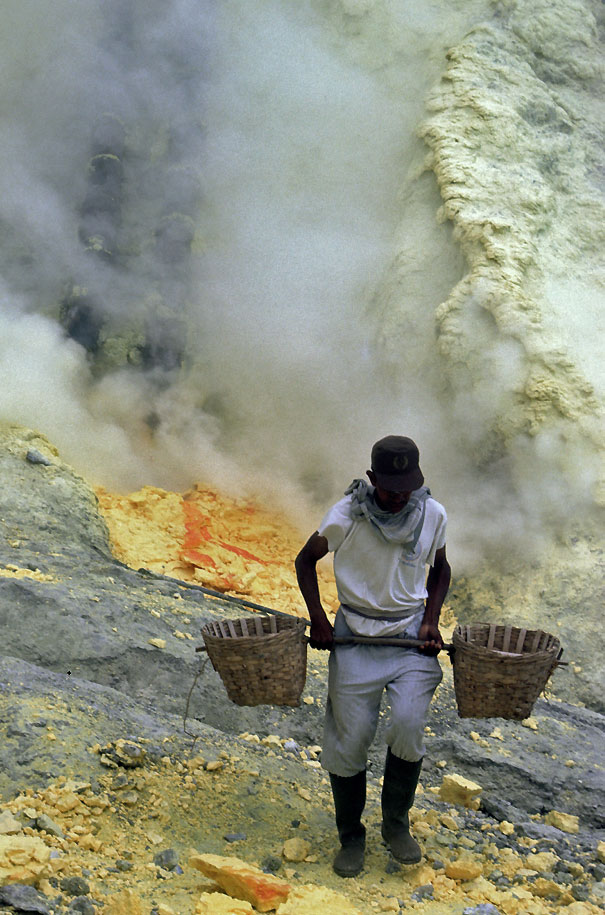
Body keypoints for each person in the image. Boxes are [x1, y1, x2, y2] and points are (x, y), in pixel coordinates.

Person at [295, 435, 451, 877]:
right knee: (350, 739)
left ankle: (396, 826)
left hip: (407, 636)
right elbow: (305, 562)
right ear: (371, 480)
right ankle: (351, 837)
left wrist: (430, 621)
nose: (400, 497)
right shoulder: (346, 516)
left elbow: (441, 569)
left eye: (407, 487)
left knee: (406, 723)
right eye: (390, 488)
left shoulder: (432, 514)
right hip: (356, 636)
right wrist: (320, 620)